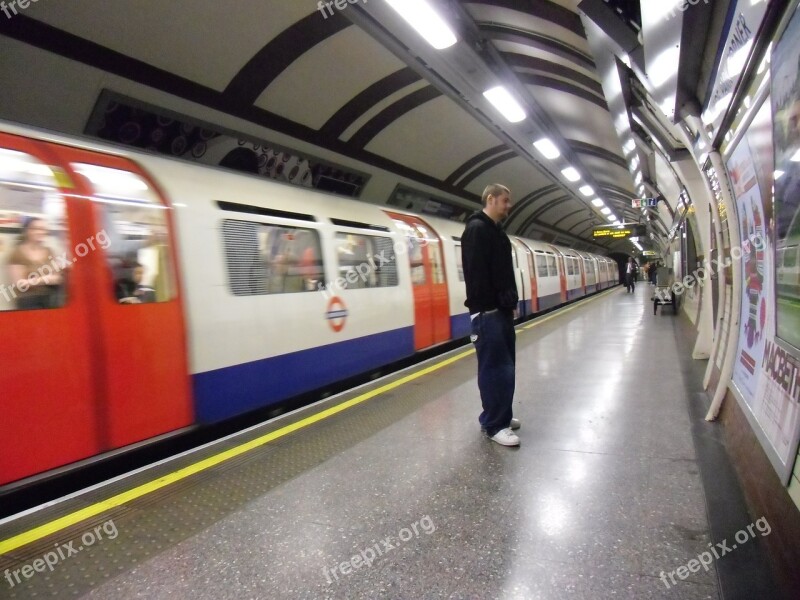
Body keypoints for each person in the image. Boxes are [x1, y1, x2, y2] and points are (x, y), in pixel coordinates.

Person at [461, 183, 521, 447]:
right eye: (505, 200)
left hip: (501, 311)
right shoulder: (477, 230)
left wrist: (509, 302)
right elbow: (476, 276)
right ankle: (494, 424)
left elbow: (502, 273)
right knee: (495, 369)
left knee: (506, 368)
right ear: (491, 199)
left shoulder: (497, 232)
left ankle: (501, 415)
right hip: (488, 313)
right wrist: (492, 305)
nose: (509, 205)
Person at [7, 217, 64, 310]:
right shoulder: (17, 253)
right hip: (28, 301)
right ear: (27, 231)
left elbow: (57, 278)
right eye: (36, 228)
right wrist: (45, 279)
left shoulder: (49, 251)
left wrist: (32, 281)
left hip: (51, 299)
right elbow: (19, 284)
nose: (40, 232)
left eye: (43, 229)